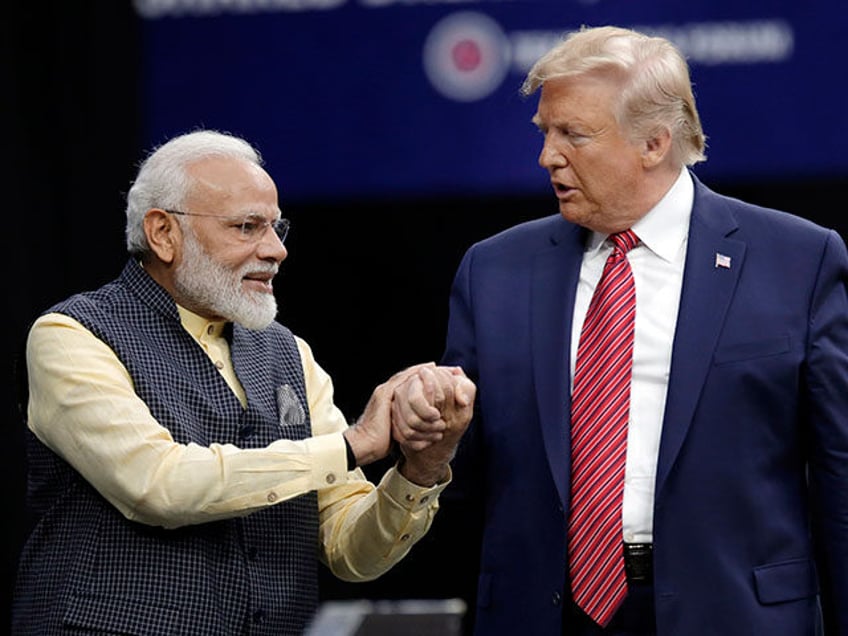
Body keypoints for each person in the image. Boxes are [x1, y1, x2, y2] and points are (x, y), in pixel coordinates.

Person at [441, 25, 848, 635]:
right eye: (546, 132)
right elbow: (457, 476)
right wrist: (425, 438)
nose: (548, 155)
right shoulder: (493, 270)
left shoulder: (797, 259)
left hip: (733, 613)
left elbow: (840, 473)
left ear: (655, 142)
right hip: (547, 614)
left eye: (573, 134)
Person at [12, 129, 475, 635]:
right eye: (247, 226)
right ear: (164, 233)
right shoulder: (72, 336)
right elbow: (158, 485)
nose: (276, 250)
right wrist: (352, 445)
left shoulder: (288, 353)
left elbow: (349, 552)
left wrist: (422, 466)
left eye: (277, 228)